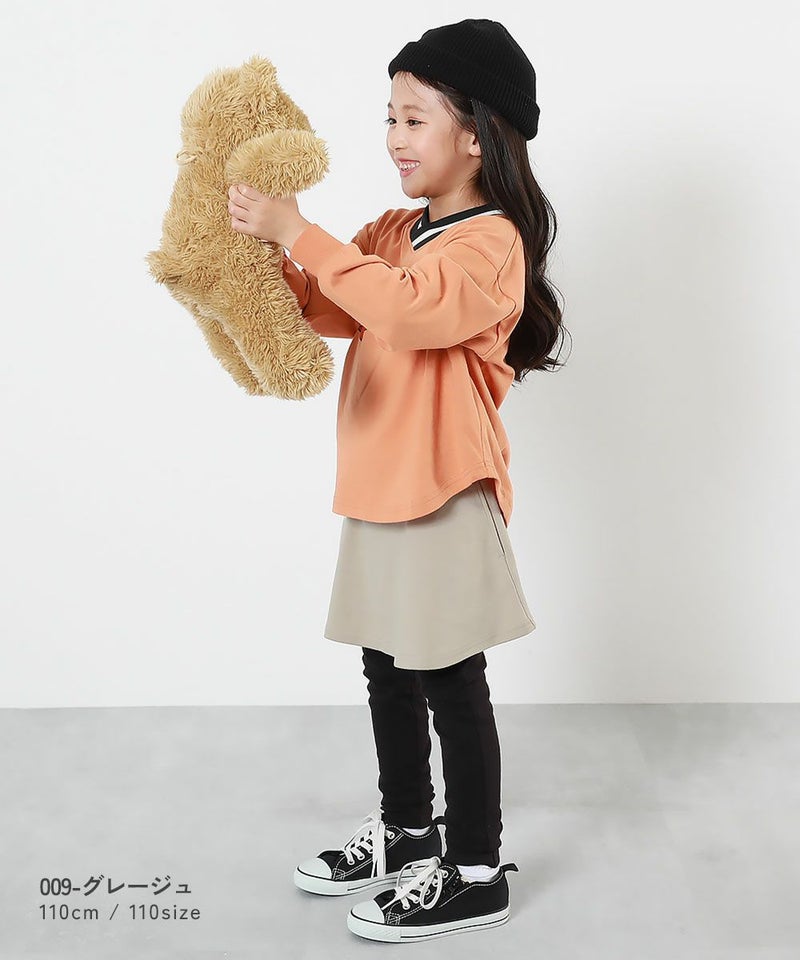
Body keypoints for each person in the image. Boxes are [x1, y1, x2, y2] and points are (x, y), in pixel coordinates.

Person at [228, 17, 567, 943]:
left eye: (415, 118)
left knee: (448, 674)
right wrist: (261, 248)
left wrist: (302, 232)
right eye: (389, 117)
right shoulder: (392, 230)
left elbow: (409, 312)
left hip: (444, 487)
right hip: (380, 482)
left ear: (478, 133)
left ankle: (476, 869)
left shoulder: (490, 242)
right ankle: (410, 832)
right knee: (386, 665)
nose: (394, 138)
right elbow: (334, 303)